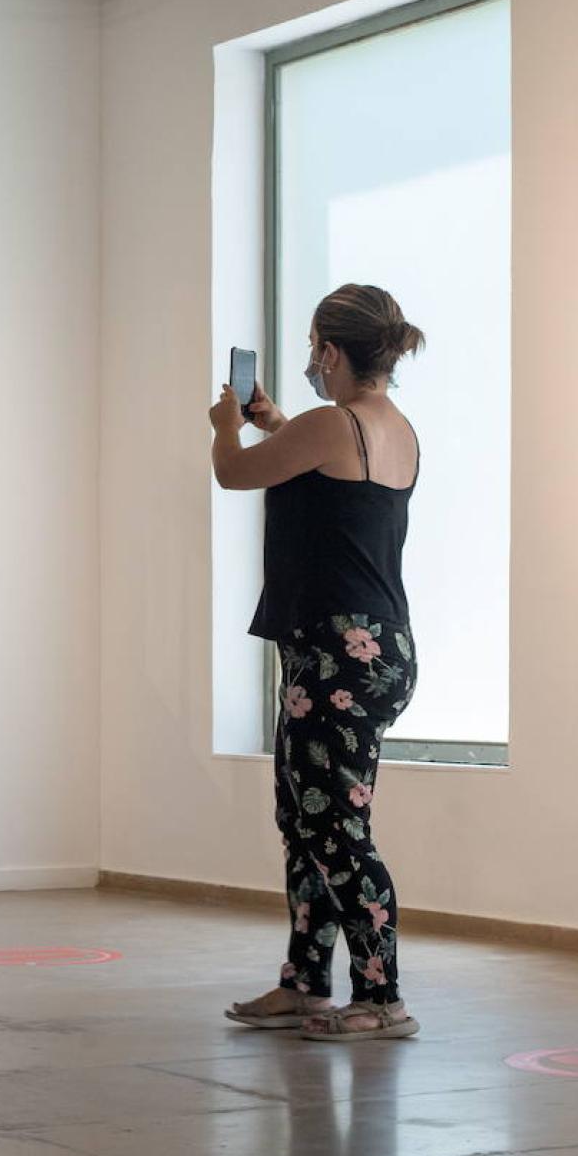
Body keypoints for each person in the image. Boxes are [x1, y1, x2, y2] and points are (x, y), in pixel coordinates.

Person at [212, 283, 423, 1043]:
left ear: (330, 351)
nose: (309, 362)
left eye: (313, 349)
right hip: (373, 647)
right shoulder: (389, 426)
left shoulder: (334, 425)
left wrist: (223, 428)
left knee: (334, 831)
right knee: (307, 823)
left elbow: (235, 473)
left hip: (336, 655)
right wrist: (270, 418)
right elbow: (318, 473)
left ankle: (382, 996)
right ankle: (306, 982)